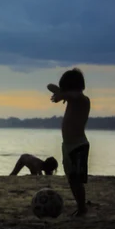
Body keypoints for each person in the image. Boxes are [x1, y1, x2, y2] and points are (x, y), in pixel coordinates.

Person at [47, 68, 91, 216]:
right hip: (67, 145)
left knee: (77, 180)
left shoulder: (83, 100)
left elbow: (76, 95)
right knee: (71, 179)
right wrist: (60, 92)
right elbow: (49, 86)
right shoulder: (70, 99)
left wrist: (63, 95)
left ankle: (82, 208)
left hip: (79, 144)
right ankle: (80, 207)